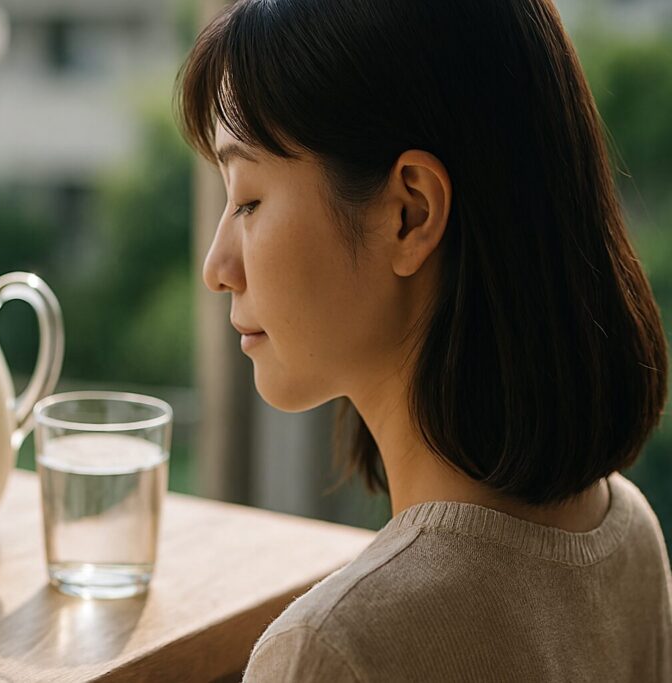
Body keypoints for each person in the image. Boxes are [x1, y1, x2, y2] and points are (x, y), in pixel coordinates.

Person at [175, 0, 672, 680]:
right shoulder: (627, 535)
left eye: (249, 200)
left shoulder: (335, 649)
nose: (216, 267)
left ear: (410, 212)